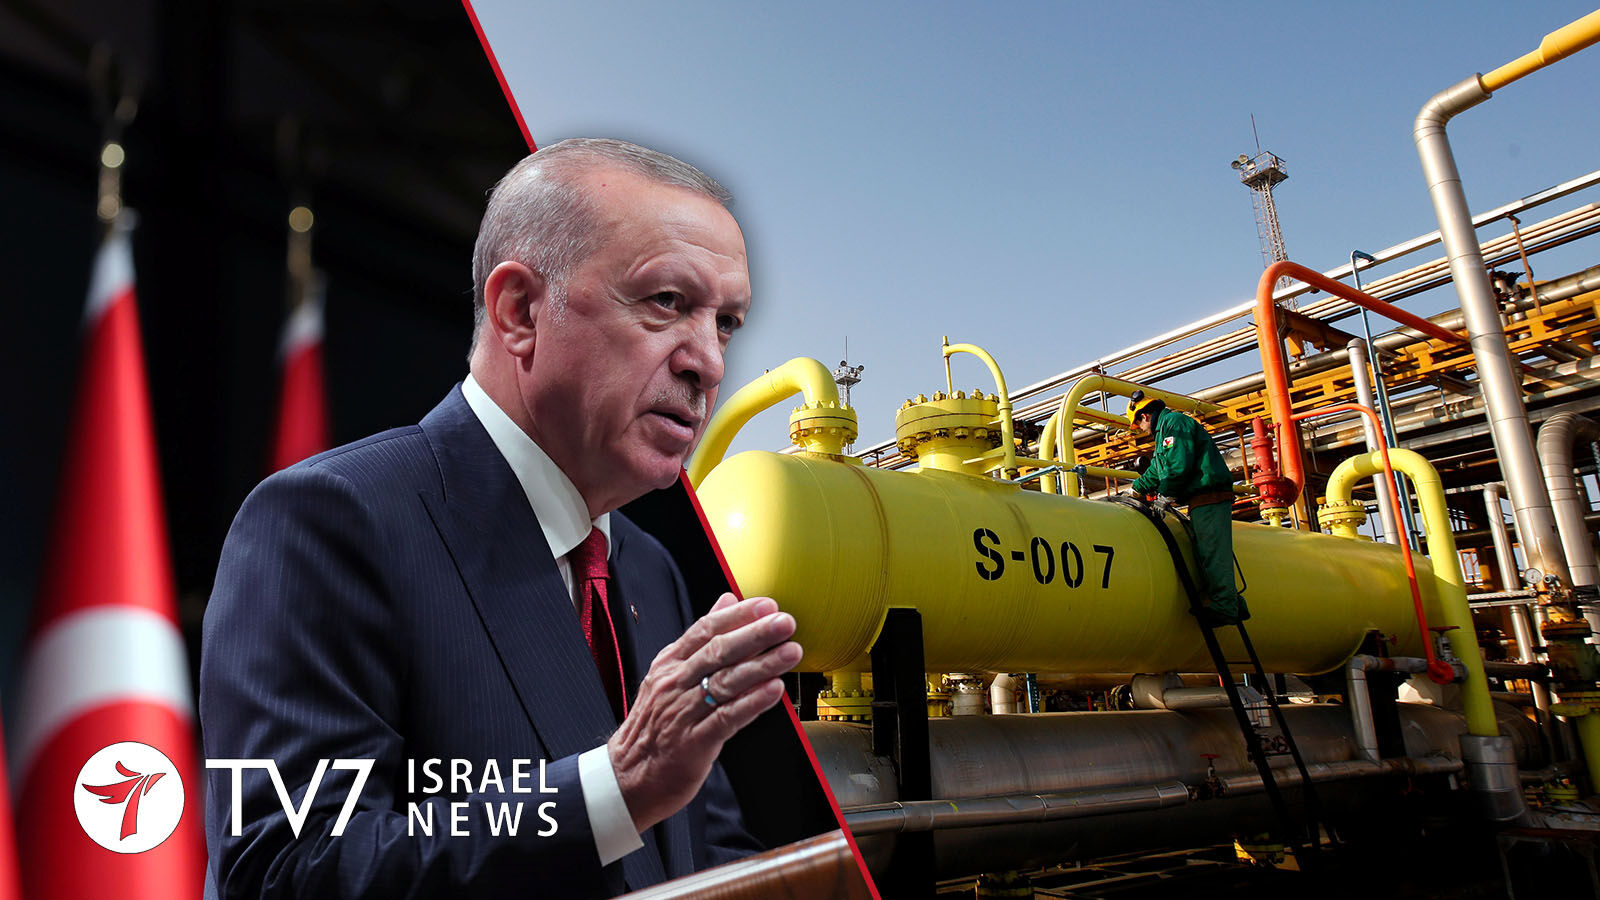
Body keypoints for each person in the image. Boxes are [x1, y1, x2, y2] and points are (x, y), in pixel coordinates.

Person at [201, 139, 803, 899]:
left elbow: (702, 858)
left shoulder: (650, 569)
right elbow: (286, 870)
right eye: (666, 302)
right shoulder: (329, 524)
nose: (709, 362)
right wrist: (614, 789)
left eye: (727, 322)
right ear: (519, 310)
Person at [1124, 391, 1249, 627]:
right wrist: (1136, 490)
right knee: (1207, 550)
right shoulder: (1165, 431)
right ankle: (1234, 603)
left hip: (1209, 495)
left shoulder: (1174, 424)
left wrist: (1165, 496)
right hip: (1201, 498)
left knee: (1212, 551)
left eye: (1137, 424)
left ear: (1145, 416)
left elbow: (1177, 466)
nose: (1139, 430)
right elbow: (1158, 468)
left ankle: (1226, 608)